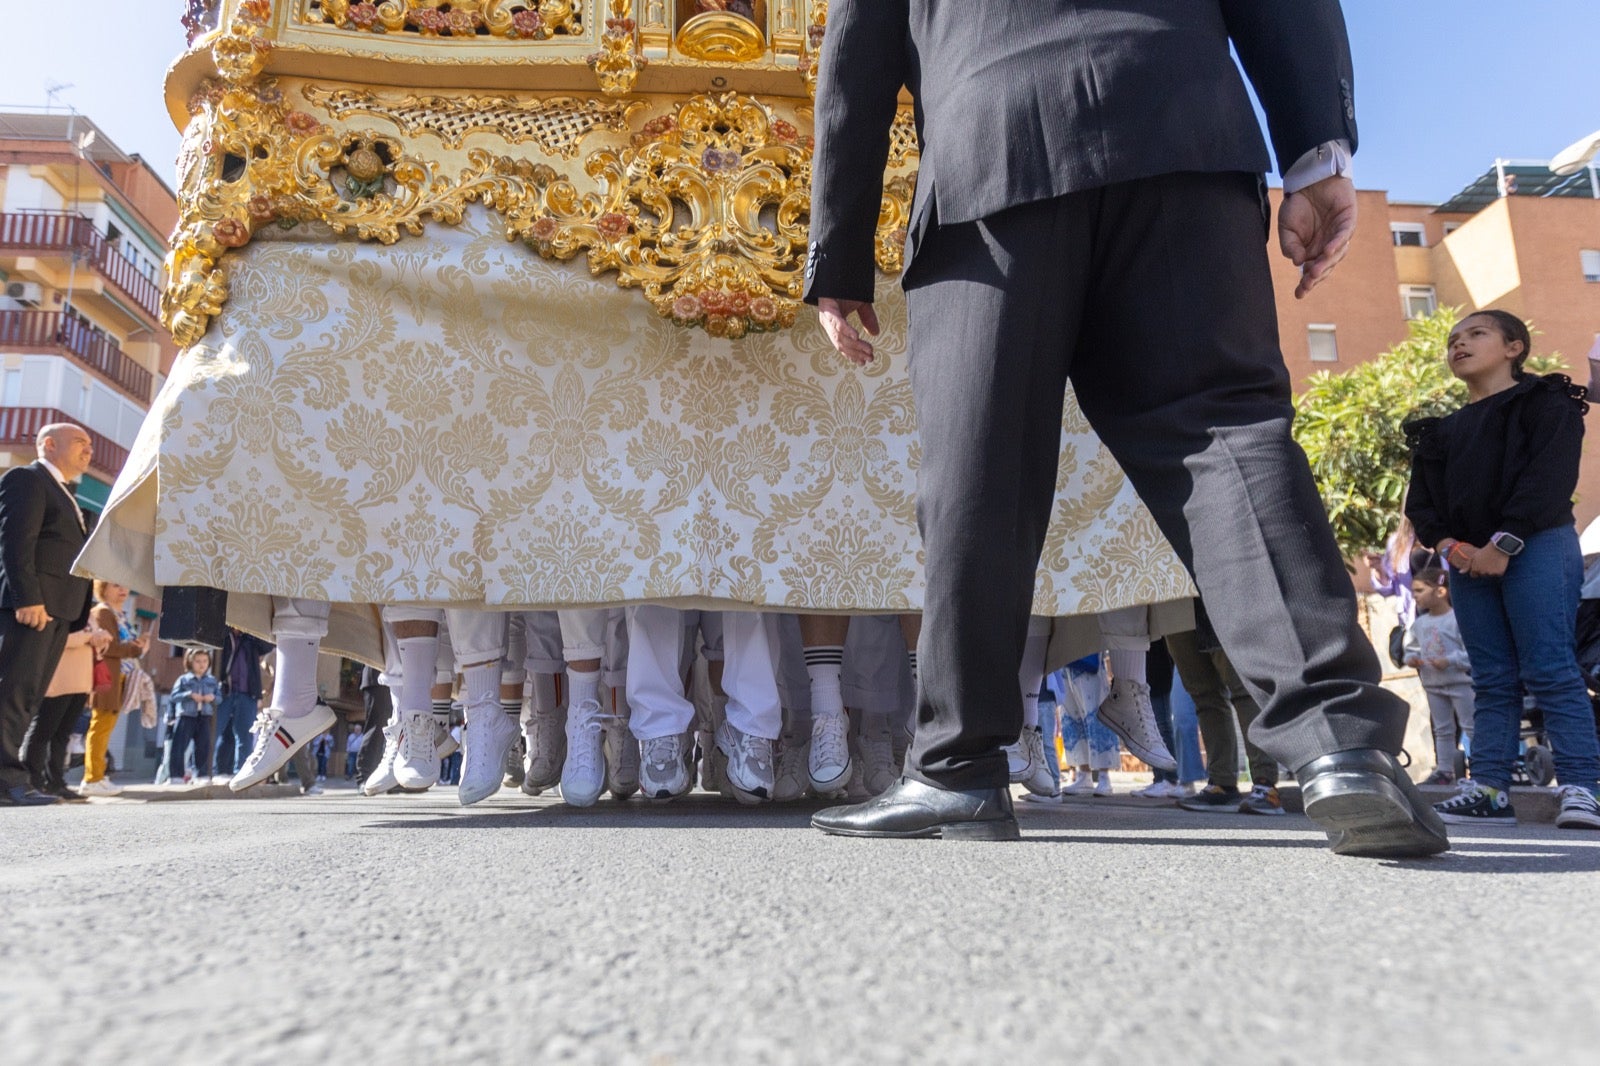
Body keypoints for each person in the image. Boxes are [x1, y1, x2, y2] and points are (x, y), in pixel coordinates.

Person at [802, 0, 1447, 856]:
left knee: (979, 471)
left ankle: (958, 769)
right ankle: (1342, 746)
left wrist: (837, 248)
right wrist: (1315, 148)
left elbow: (858, 48)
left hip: (992, 150)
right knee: (1226, 438)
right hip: (1179, 132)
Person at [1404, 310, 1600, 830]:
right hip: (1467, 560)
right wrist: (1451, 547)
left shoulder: (1546, 402)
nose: (1459, 344)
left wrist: (1502, 544)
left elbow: (1550, 478)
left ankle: (1583, 788)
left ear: (1514, 347)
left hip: (1535, 546)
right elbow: (1422, 505)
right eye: (1453, 340)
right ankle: (1490, 788)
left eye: (1475, 334)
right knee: (1491, 679)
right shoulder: (1438, 432)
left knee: (1551, 670)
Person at [0, 423, 95, 806]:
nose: (88, 450)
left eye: (90, 444)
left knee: (30, 696)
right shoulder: (28, 479)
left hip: (59, 611)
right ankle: (8, 782)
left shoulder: (69, 494)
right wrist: (27, 598)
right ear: (49, 445)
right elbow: (14, 541)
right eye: (80, 443)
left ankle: (14, 778)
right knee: (14, 694)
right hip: (33, 608)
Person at [21, 616, 111, 801]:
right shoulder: (61, 611)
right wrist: (89, 637)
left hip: (82, 683)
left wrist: (101, 640)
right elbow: (58, 639)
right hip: (58, 681)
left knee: (63, 735)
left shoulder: (90, 616)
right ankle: (33, 780)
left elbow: (95, 647)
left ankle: (56, 782)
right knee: (43, 733)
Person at [1404, 567, 1474, 785]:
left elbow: (1470, 651)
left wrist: (1451, 661)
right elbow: (1411, 648)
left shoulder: (1457, 619)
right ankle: (1444, 769)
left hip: (1460, 682)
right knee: (1442, 728)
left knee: (1471, 725)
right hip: (1433, 684)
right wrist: (1411, 659)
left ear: (1440, 592)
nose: (1415, 596)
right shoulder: (1419, 624)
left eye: (1419, 590)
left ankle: (1481, 766)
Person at [80, 582, 150, 797]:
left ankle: (98, 776)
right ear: (102, 588)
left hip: (119, 675)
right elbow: (109, 646)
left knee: (105, 725)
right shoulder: (102, 612)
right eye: (115, 585)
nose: (123, 589)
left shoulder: (117, 613)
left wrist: (136, 645)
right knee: (100, 725)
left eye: (125, 585)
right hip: (107, 676)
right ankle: (93, 778)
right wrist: (135, 649)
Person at [216, 627, 275, 783]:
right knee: (216, 731)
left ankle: (241, 773)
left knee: (245, 736)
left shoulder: (251, 639)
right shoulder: (223, 636)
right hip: (224, 691)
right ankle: (214, 771)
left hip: (248, 694)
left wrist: (252, 629)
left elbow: (269, 645)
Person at [169, 649, 222, 785]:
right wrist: (189, 695)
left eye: (205, 661)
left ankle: (201, 775)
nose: (201, 665)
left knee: (203, 747)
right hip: (186, 715)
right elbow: (174, 696)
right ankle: (176, 776)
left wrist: (212, 697)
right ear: (190, 662)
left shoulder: (211, 680)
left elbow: (219, 698)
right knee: (179, 747)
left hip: (204, 716)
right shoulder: (184, 679)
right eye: (198, 661)